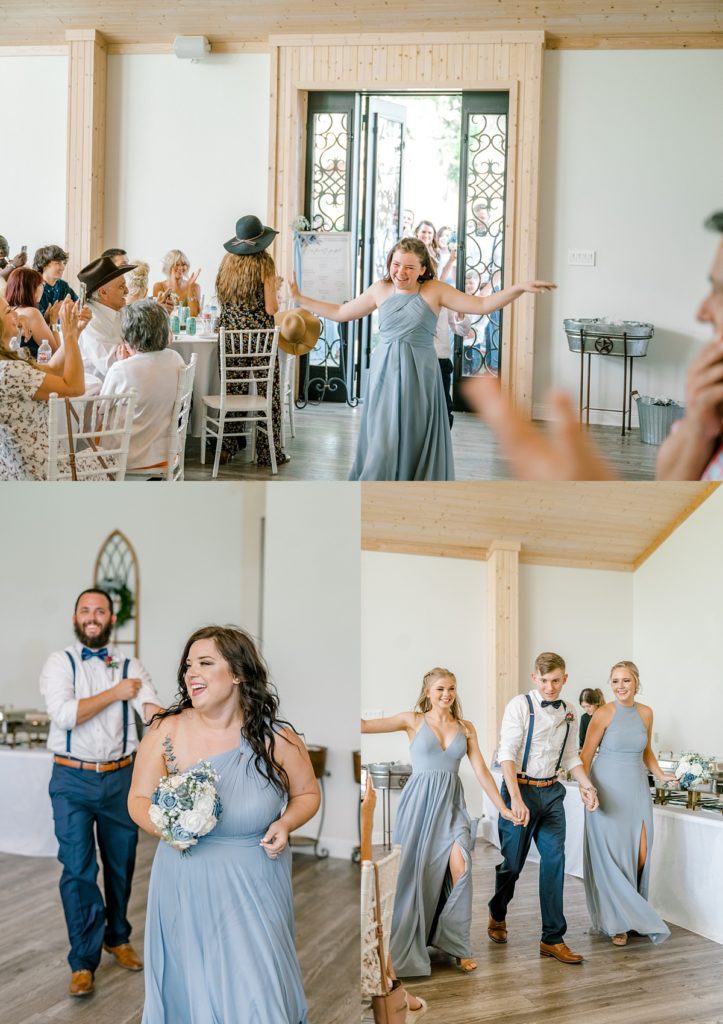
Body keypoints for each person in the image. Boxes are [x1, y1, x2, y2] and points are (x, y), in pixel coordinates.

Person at [128, 625, 318, 1023]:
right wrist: (169, 828)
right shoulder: (167, 730)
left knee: (257, 985)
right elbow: (138, 800)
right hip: (184, 879)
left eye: (205, 663)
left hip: (254, 877)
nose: (190, 673)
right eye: (187, 665)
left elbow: (307, 794)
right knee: (192, 981)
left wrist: (286, 824)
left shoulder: (276, 739)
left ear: (237, 673)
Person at [467, 211, 723, 482]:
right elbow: (673, 493)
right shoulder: (710, 411)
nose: (702, 312)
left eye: (720, 291)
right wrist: (698, 426)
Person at [291, 237, 555, 480]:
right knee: (382, 442)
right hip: (385, 374)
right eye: (396, 264)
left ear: (422, 269)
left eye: (409, 267)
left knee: (414, 438)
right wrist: (301, 299)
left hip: (420, 375)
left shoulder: (434, 290)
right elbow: (340, 311)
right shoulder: (380, 289)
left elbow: (482, 305)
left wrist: (519, 288)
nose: (400, 272)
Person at [39, 588, 162, 997]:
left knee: (121, 866)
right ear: (76, 618)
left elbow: (150, 707)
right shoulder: (60, 663)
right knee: (78, 870)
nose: (92, 616)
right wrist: (117, 692)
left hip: (121, 779)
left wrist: (169, 719)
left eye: (100, 611)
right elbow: (65, 714)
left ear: (112, 619)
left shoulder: (132, 666)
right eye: (85, 610)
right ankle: (83, 960)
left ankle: (118, 937)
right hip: (71, 779)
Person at [362, 668, 521, 978]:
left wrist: (502, 807)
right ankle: (415, 939)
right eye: (440, 689)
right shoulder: (413, 720)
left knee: (461, 868)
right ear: (427, 692)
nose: (446, 694)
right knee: (416, 874)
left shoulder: (466, 728)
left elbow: (482, 773)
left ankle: (457, 945)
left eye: (451, 688)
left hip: (452, 806)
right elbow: (365, 725)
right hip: (418, 806)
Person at [489, 652, 599, 964]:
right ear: (534, 678)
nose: (550, 687)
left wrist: (587, 785)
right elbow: (506, 755)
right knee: (512, 864)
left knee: (554, 863)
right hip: (518, 789)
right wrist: (517, 799)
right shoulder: (519, 705)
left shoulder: (569, 711)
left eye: (556, 681)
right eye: (545, 681)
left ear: (565, 679)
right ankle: (497, 911)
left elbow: (570, 757)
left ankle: (553, 938)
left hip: (551, 794)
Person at [581, 661, 675, 946]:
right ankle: (617, 922)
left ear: (636, 683)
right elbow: (585, 755)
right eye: (615, 681)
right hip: (606, 787)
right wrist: (586, 790)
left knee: (640, 853)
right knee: (611, 856)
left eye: (626, 681)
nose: (620, 686)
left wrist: (660, 774)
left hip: (636, 787)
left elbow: (646, 751)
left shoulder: (646, 713)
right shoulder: (603, 713)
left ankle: (631, 914)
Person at [215, 214, 290, 467]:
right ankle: (268, 453)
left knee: (232, 392)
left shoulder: (227, 263)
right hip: (259, 339)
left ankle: (227, 448)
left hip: (230, 339)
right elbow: (271, 308)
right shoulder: (265, 265)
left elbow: (222, 302)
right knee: (268, 393)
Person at [0, 295, 87, 480]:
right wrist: (69, 336)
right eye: (8, 311)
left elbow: (54, 370)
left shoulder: (8, 364)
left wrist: (75, 331)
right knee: (110, 458)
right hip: (42, 473)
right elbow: (75, 387)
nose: (16, 314)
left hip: (14, 470)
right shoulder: (9, 371)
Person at [100, 300, 186, 473]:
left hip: (128, 455)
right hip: (165, 451)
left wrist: (122, 363)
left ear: (130, 336)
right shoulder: (176, 358)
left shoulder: (121, 369)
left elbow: (102, 408)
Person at [77, 255, 137, 382]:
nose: (127, 291)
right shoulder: (89, 319)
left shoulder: (118, 310)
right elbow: (111, 366)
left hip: (123, 382)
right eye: (121, 286)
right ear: (103, 293)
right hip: (101, 393)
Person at [5, 265, 59, 358]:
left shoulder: (12, 310)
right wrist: (54, 322)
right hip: (34, 368)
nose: (43, 288)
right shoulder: (32, 312)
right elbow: (56, 353)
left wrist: (46, 320)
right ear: (30, 288)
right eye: (41, 285)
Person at [152, 249, 201, 317]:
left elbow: (193, 314)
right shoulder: (159, 286)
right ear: (169, 267)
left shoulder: (195, 287)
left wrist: (190, 286)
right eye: (177, 264)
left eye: (183, 264)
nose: (180, 268)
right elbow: (158, 315)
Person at [33, 244, 78, 316]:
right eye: (58, 263)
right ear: (44, 264)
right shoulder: (35, 287)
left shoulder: (63, 285)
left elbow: (78, 305)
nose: (63, 268)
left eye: (63, 263)